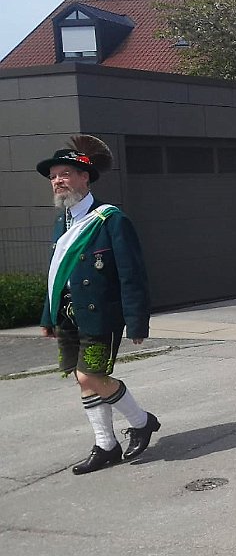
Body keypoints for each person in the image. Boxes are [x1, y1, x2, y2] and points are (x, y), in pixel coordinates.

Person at [37, 135, 159, 475]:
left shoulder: (110, 219)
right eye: (53, 176)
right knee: (84, 380)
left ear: (85, 177)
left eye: (64, 174)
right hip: (68, 316)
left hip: (101, 315)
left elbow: (132, 274)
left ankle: (142, 421)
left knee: (89, 374)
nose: (57, 181)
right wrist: (48, 316)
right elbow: (55, 276)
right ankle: (106, 444)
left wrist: (137, 321)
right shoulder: (61, 223)